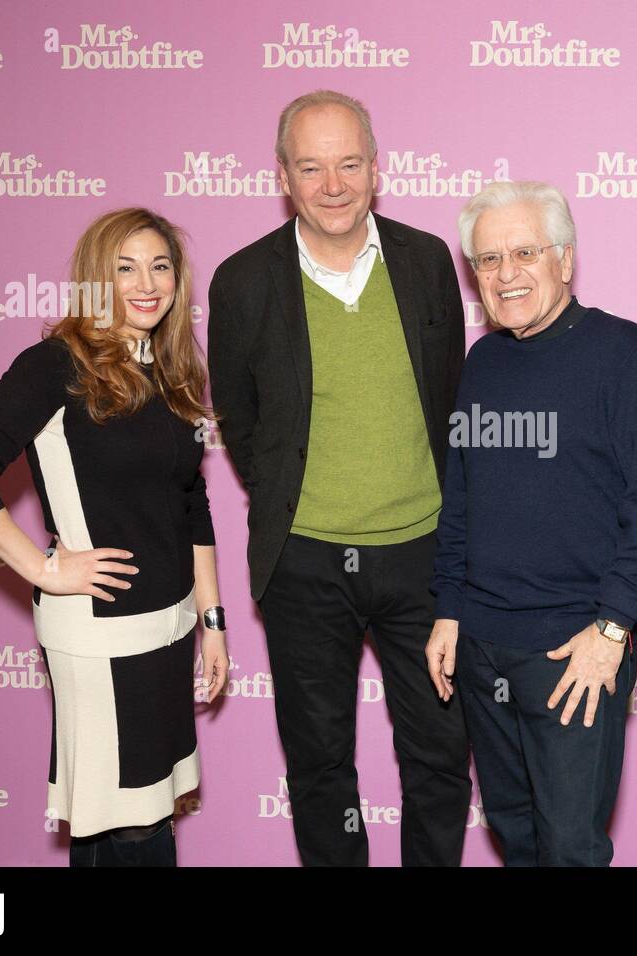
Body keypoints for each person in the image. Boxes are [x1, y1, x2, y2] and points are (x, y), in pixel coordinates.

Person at [207, 89, 470, 866]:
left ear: (377, 169)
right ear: (284, 175)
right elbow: (242, 423)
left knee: (440, 755)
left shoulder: (425, 262)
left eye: (348, 164)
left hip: (424, 556)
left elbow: (449, 397)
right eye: (312, 167)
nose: (332, 185)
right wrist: (302, 502)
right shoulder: (243, 281)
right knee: (321, 766)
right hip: (305, 563)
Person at [0, 207, 228, 866]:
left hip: (169, 629)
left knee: (144, 815)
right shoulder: (53, 365)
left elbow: (191, 500)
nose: (146, 283)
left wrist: (212, 621)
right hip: (97, 636)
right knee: (124, 823)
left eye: (160, 266)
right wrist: (44, 569)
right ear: (97, 277)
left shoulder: (172, 368)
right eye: (125, 268)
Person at [426, 180, 637, 866]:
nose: (505, 275)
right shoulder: (483, 361)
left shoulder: (621, 353)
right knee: (515, 838)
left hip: (575, 653)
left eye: (524, 253)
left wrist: (612, 628)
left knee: (570, 848)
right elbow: (462, 499)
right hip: (482, 648)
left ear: (564, 260)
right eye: (486, 260)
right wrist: (449, 610)